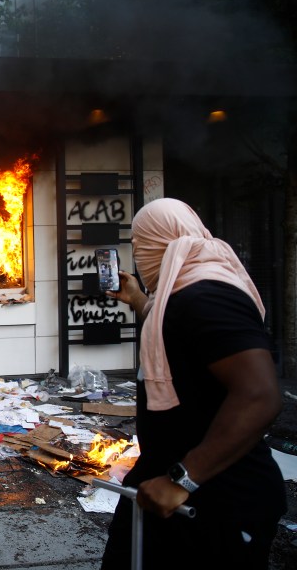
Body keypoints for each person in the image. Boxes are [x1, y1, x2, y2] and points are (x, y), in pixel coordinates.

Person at [101, 198, 285, 568]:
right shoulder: (184, 293)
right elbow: (175, 323)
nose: (137, 255)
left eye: (139, 245)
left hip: (213, 496)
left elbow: (259, 395)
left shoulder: (206, 297)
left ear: (158, 244)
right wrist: (138, 299)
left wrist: (182, 480)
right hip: (168, 485)